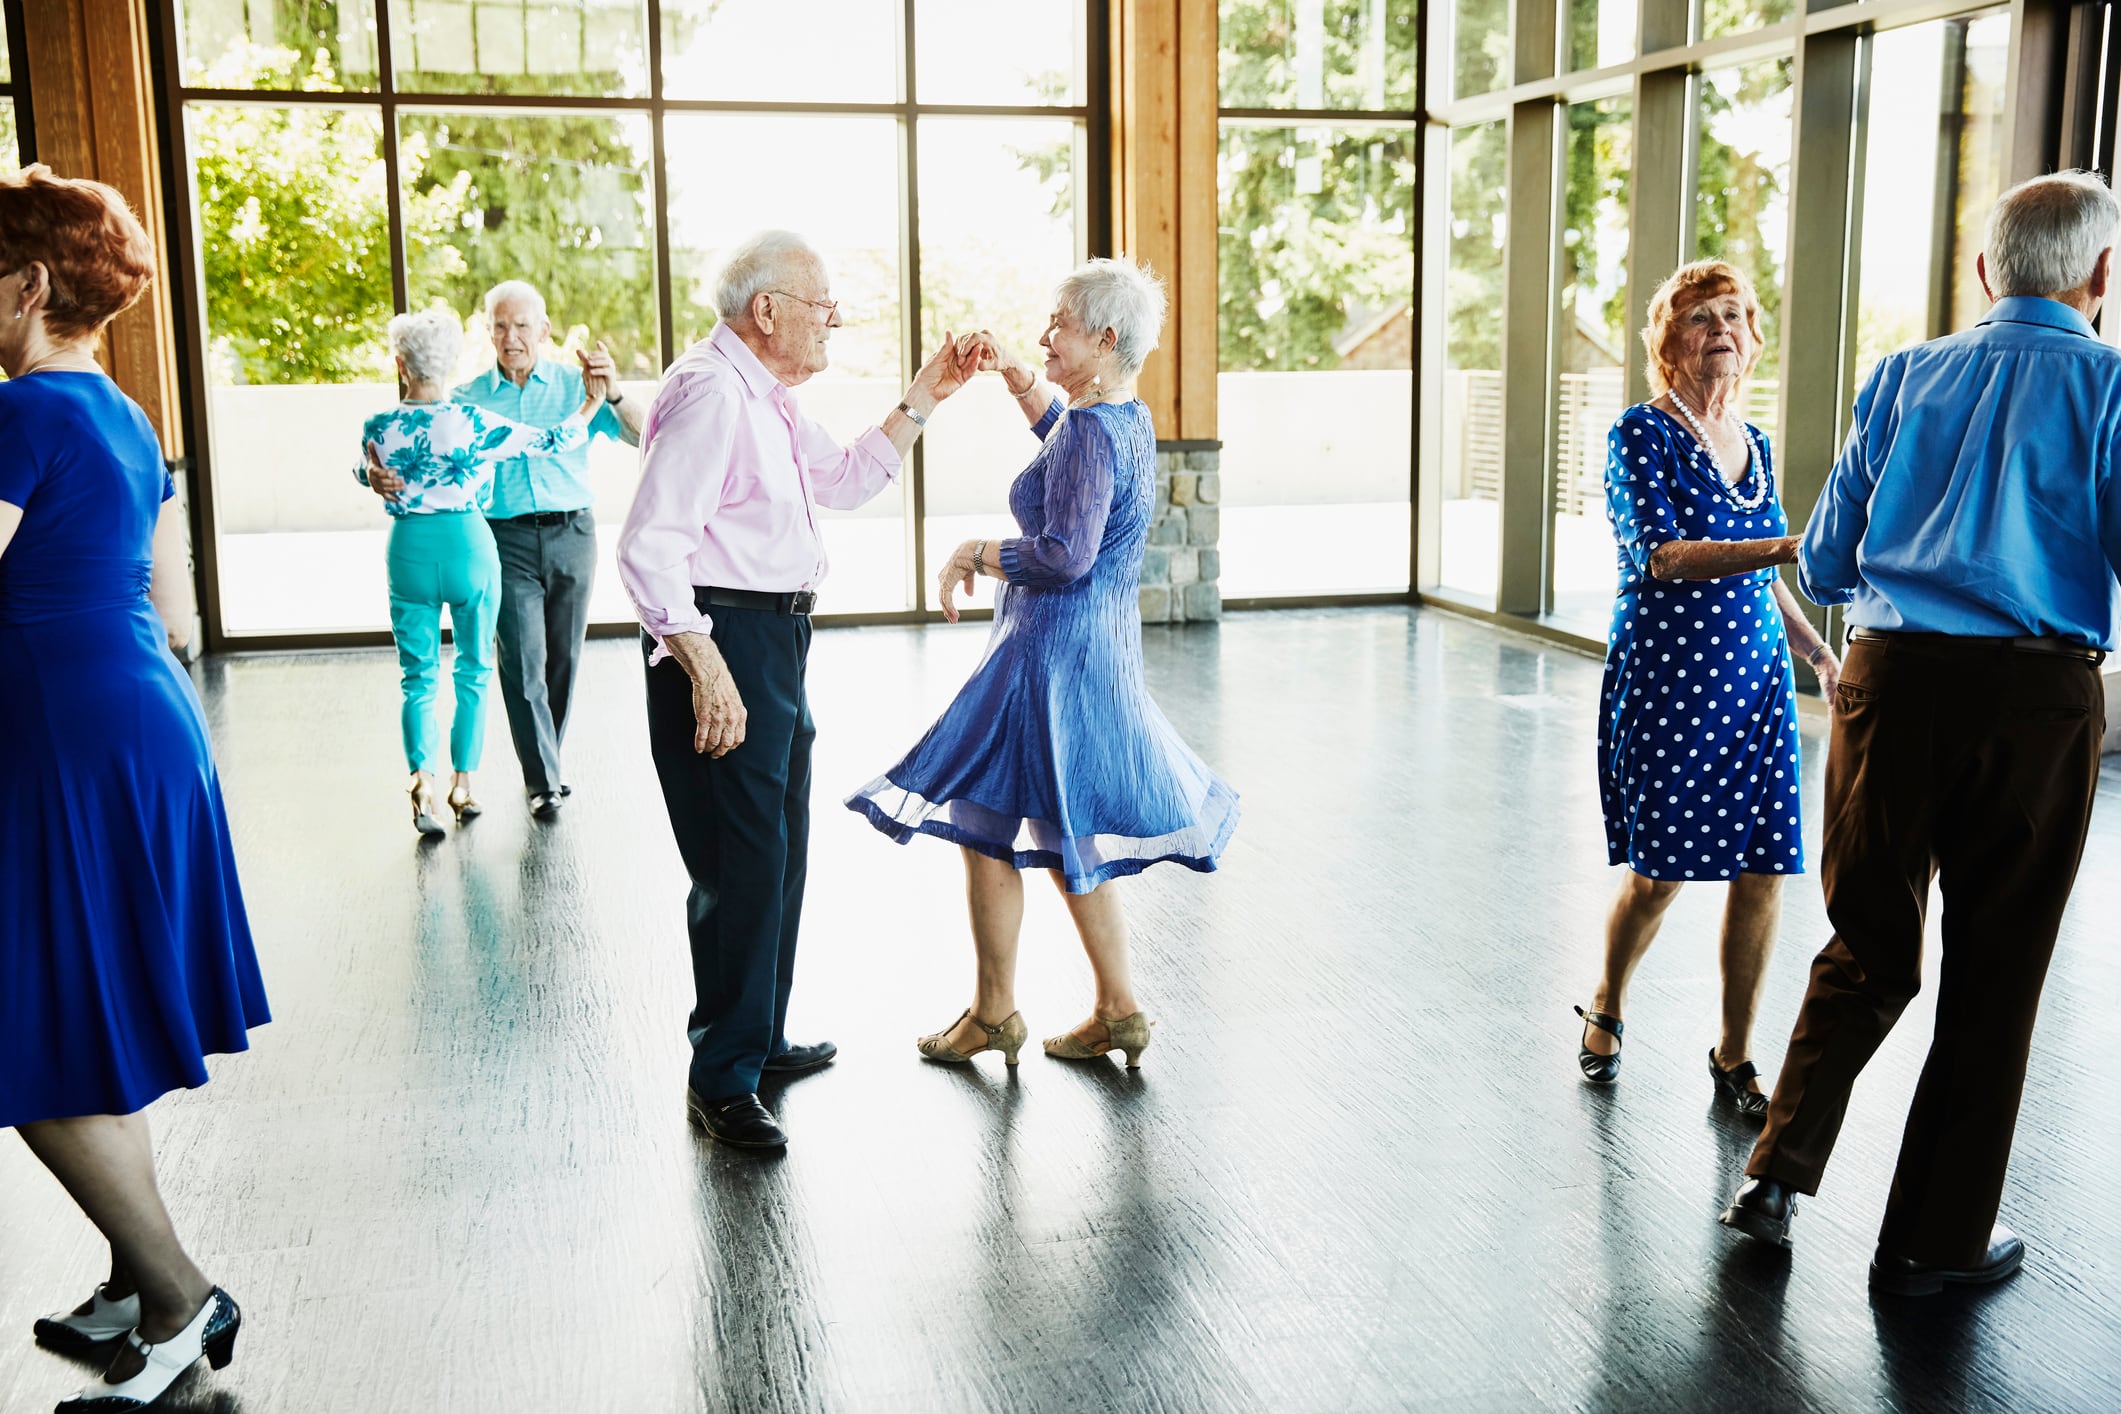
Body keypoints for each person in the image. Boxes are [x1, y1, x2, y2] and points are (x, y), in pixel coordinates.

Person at [1721, 172, 2121, 1295]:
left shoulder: (1904, 375)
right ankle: (1930, 1248)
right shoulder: (2114, 391)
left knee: (1865, 943)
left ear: (1986, 271)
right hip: (2039, 703)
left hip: (1889, 687)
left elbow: (1831, 559)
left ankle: (1775, 1179)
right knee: (1996, 976)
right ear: (2101, 277)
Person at [617, 230, 975, 1149]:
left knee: (776, 852)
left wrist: (925, 393)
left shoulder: (762, 398)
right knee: (739, 866)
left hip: (772, 638)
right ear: (765, 311)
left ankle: (759, 1034)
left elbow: (846, 478)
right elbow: (650, 546)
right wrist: (705, 664)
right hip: (724, 637)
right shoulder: (708, 394)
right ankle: (722, 1076)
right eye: (822, 306)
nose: (833, 322)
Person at [0, 165, 264, 1410]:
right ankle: (126, 1275)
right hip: (139, 725)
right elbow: (170, 609)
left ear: (30, 285)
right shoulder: (119, 409)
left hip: (67, 737)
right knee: (83, 1009)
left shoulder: (16, 417)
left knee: (28, 1038)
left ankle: (173, 1298)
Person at [846, 257, 1240, 1071]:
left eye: (1058, 324)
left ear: (1103, 337)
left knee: (987, 816)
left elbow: (1065, 553)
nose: (1043, 332)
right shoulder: (1120, 414)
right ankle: (1115, 1008)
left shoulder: (1095, 431)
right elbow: (1066, 447)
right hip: (1090, 649)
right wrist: (1022, 380)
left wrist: (975, 551)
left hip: (1046, 652)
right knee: (1058, 827)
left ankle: (999, 1013)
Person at [1574, 260, 1839, 1119]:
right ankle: (1608, 999)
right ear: (1667, 342)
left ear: (1753, 339)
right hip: (1669, 683)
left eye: (1736, 315)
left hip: (1755, 685)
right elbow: (1661, 557)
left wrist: (1816, 654)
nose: (1721, 328)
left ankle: (1734, 1054)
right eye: (1700, 317)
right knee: (1659, 874)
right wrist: (1789, 546)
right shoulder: (1637, 435)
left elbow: (1762, 582)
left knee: (1763, 871)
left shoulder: (1754, 443)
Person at [365, 280, 643, 819]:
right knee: (522, 663)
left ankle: (544, 762)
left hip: (573, 532)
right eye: (500, 325)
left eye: (521, 325)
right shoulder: (466, 400)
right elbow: (408, 442)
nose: (510, 336)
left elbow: (640, 434)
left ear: (543, 330)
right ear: (487, 332)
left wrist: (609, 393)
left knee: (561, 659)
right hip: (502, 540)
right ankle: (542, 781)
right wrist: (374, 474)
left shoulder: (574, 382)